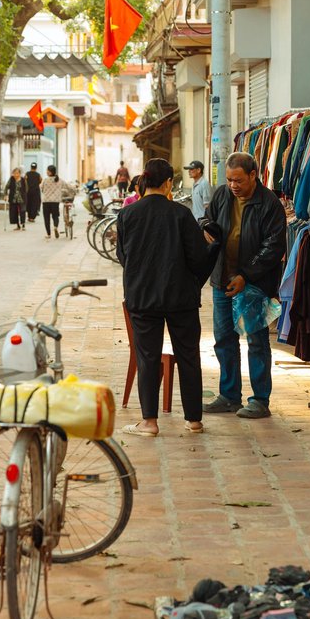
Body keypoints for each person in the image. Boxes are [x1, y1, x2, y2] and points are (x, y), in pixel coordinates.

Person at [116, 157, 210, 437]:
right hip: (181, 298)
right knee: (189, 355)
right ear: (169, 183)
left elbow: (123, 257)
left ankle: (149, 422)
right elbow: (198, 258)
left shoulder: (127, 215)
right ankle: (193, 420)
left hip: (143, 297)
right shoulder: (181, 214)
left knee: (147, 357)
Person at [202, 152, 286, 419]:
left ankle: (260, 399)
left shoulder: (269, 203)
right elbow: (206, 218)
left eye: (238, 180)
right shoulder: (222, 195)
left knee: (256, 341)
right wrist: (206, 228)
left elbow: (273, 247)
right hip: (222, 280)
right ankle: (229, 396)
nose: (233, 185)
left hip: (254, 285)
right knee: (224, 339)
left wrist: (246, 276)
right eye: (229, 180)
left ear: (253, 175)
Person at [41, 164, 64, 239]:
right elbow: (67, 186)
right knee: (55, 216)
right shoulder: (59, 180)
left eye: (47, 170)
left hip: (46, 201)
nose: (46, 172)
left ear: (50, 172)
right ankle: (55, 227)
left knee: (46, 218)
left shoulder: (45, 180)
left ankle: (48, 234)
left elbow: (41, 188)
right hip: (55, 202)